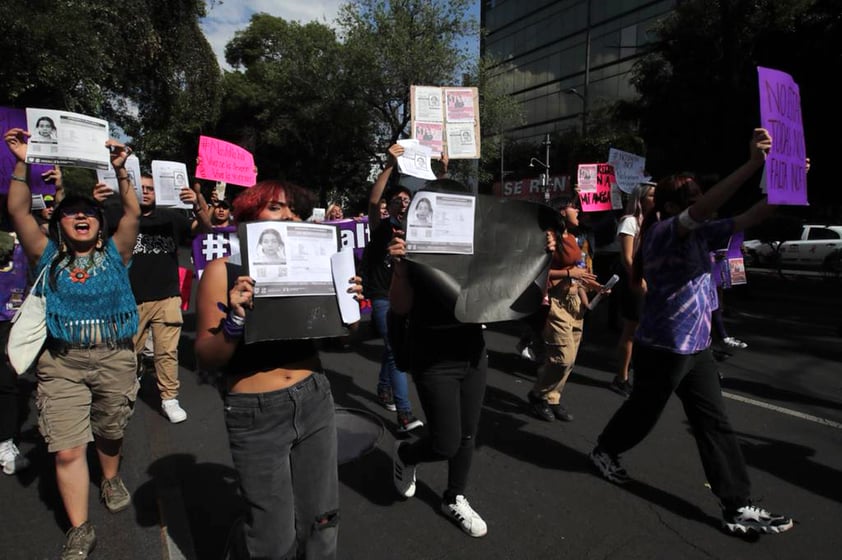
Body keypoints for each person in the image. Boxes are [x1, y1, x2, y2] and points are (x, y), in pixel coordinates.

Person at [589, 128, 795, 536]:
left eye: (701, 199)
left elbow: (753, 215)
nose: (702, 207)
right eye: (693, 201)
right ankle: (605, 450)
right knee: (644, 412)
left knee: (714, 422)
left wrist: (788, 182)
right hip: (664, 347)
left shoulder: (703, 231)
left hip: (697, 347)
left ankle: (736, 506)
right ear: (671, 207)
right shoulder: (663, 234)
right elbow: (702, 212)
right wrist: (754, 164)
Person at [194, 179, 363, 559]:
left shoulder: (318, 264)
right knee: (272, 540)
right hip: (255, 412)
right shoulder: (222, 272)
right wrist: (235, 319)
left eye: (294, 210)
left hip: (313, 397)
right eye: (276, 207)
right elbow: (206, 356)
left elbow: (345, 337)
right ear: (250, 212)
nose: (289, 215)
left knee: (322, 521)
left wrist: (350, 307)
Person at [387, 178, 556, 538]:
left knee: (468, 435)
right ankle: (407, 456)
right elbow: (400, 307)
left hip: (473, 352)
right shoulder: (413, 250)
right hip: (432, 357)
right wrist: (402, 267)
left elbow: (513, 284)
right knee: (445, 441)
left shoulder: (481, 246)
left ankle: (454, 497)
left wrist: (541, 251)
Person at [4, 127, 140, 559]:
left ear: (100, 223)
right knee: (66, 449)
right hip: (61, 364)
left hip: (115, 358)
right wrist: (23, 162)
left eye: (89, 212)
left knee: (111, 429)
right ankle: (80, 528)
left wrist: (122, 173)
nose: (80, 216)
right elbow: (19, 212)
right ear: (59, 223)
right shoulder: (47, 256)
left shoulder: (117, 253)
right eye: (70, 212)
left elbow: (133, 214)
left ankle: (111, 477)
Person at [129, 172, 213, 423]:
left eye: (150, 189)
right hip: (131, 299)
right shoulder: (122, 217)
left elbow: (205, 228)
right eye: (141, 187)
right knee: (129, 352)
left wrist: (197, 203)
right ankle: (129, 388)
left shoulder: (171, 217)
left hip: (167, 296)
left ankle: (169, 398)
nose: (146, 192)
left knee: (166, 352)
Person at [360, 143, 424, 432]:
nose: (402, 202)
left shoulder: (416, 230)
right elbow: (374, 202)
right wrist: (389, 164)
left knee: (392, 347)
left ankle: (384, 387)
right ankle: (405, 413)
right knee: (397, 348)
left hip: (405, 295)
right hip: (381, 296)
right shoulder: (381, 226)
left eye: (406, 198)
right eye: (397, 199)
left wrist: (444, 171)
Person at [527, 197, 602, 422]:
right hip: (556, 302)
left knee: (571, 359)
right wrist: (570, 275)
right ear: (561, 212)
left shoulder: (572, 237)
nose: (579, 210)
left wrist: (592, 287)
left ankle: (553, 398)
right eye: (574, 206)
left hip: (574, 303)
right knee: (562, 358)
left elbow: (576, 270)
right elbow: (535, 272)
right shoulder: (548, 237)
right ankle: (538, 394)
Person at [610, 181, 656, 397]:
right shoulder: (630, 222)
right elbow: (627, 258)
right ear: (641, 199)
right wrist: (640, 280)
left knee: (646, 331)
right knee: (631, 329)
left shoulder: (655, 221)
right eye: (652, 196)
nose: (656, 200)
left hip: (651, 279)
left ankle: (637, 372)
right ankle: (621, 377)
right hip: (634, 281)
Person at [0, 198, 31, 476]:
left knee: (7, 380)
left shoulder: (20, 218)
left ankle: (5, 441)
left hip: (10, 312)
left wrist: (55, 188)